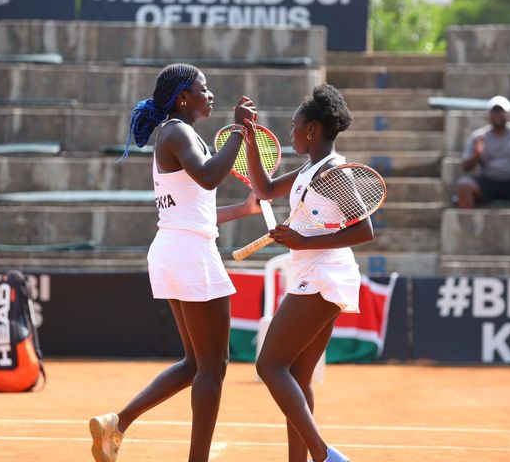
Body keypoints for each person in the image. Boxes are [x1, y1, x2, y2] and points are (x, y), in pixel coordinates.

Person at [88, 63, 261, 462]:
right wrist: (238, 131)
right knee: (213, 367)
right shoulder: (178, 132)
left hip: (178, 247)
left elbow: (197, 207)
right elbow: (209, 178)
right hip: (188, 254)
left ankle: (117, 423)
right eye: (204, 88)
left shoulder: (181, 134)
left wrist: (246, 208)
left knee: (195, 364)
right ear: (183, 97)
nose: (210, 93)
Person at [244, 84, 372, 462]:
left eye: (296, 125)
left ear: (313, 129)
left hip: (322, 276)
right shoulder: (309, 170)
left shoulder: (334, 174)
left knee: (268, 365)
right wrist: (250, 140)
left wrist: (301, 241)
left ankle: (323, 455)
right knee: (298, 378)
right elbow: (264, 189)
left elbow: (364, 230)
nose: (292, 132)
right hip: (320, 274)